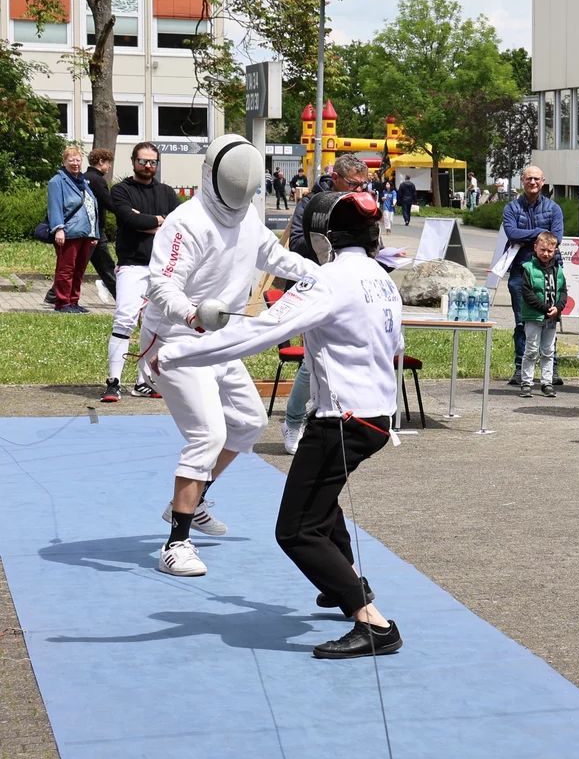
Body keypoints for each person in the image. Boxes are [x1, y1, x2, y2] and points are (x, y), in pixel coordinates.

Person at [157, 189, 403, 658]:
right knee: (322, 503)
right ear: (374, 237)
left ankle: (373, 623)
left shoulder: (329, 281)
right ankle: (343, 582)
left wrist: (177, 351)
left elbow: (256, 333)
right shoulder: (381, 278)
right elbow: (395, 346)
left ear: (326, 239)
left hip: (342, 421)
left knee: (296, 530)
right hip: (375, 416)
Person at [141, 135, 322, 578]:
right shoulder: (186, 222)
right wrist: (191, 314)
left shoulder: (247, 218)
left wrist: (326, 276)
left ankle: (193, 498)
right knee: (207, 434)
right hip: (177, 342)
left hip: (219, 341)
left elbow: (274, 255)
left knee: (248, 423)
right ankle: (176, 544)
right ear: (211, 175)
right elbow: (160, 285)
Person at [281, 156, 374, 453]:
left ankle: (331, 420)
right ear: (335, 178)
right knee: (312, 363)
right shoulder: (311, 203)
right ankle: (294, 421)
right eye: (354, 184)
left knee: (341, 354)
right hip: (317, 284)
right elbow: (296, 243)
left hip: (352, 286)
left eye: (365, 184)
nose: (360, 189)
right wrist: (328, 244)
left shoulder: (361, 202)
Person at [102, 142, 180, 402]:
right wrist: (160, 220)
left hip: (161, 269)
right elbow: (129, 220)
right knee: (124, 319)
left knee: (155, 325)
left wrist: (146, 221)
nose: (148, 166)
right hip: (132, 265)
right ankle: (113, 382)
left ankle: (144, 381)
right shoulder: (121, 190)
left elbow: (177, 225)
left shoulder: (168, 192)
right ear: (133, 161)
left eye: (153, 162)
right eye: (143, 161)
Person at [501, 166, 565, 389]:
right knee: (522, 322)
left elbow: (556, 238)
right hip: (520, 271)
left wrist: (533, 239)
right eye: (529, 178)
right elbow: (511, 233)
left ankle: (551, 369)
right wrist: (540, 235)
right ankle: (520, 369)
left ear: (543, 181)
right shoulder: (511, 207)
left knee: (549, 321)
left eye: (536, 179)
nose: (533, 182)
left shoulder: (553, 208)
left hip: (549, 271)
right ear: (522, 181)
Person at [45, 145, 101, 313]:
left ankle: (74, 301)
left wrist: (94, 232)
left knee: (79, 270)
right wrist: (59, 229)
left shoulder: (83, 181)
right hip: (69, 232)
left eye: (78, 160)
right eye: (71, 160)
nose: (75, 163)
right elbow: (55, 207)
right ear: (64, 162)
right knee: (66, 269)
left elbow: (91, 207)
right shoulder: (57, 181)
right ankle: (62, 303)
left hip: (86, 232)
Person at [514, 230, 565, 398]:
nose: (546, 254)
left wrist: (558, 308)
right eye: (542, 250)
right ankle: (526, 382)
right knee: (531, 350)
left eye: (550, 251)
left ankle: (546, 382)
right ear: (535, 248)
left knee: (548, 351)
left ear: (555, 250)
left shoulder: (558, 270)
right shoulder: (527, 268)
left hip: (551, 319)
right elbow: (527, 294)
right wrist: (544, 308)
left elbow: (563, 292)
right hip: (533, 317)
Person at [84, 148, 117, 302]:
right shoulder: (98, 180)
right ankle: (123, 297)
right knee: (107, 266)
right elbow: (109, 203)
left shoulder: (83, 177)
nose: (109, 167)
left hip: (84, 228)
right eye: (108, 163)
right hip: (96, 229)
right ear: (101, 162)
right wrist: (127, 212)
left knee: (78, 264)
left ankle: (54, 294)